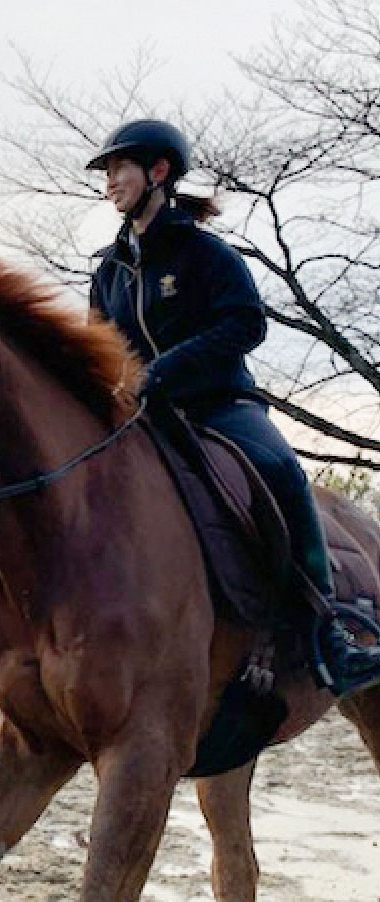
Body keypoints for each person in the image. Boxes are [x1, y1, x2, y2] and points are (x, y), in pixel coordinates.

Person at [86, 118, 380, 697]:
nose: (110, 183)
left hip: (220, 406)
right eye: (108, 173)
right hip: (142, 418)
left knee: (281, 471)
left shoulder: (207, 253)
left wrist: (166, 369)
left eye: (118, 169)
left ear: (159, 171)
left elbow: (245, 323)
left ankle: (331, 626)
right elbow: (97, 345)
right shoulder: (108, 269)